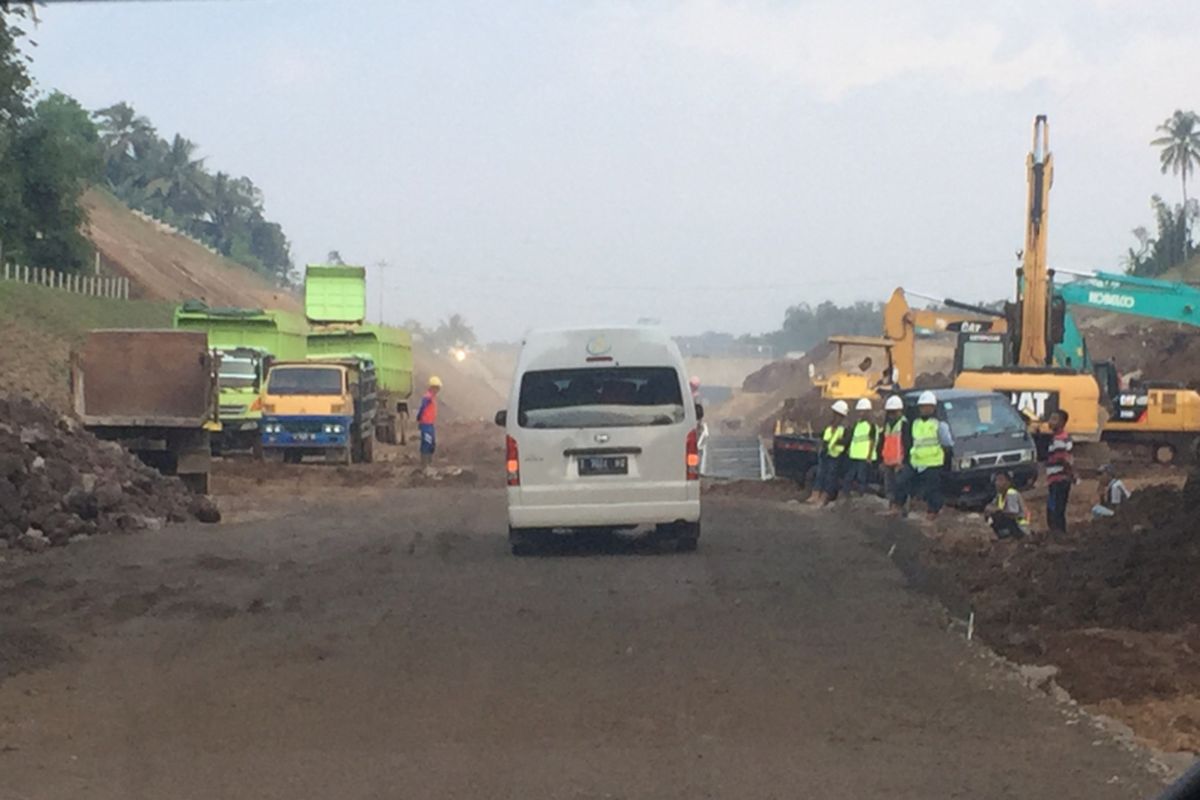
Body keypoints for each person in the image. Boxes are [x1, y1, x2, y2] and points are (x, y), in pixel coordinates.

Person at [896, 390, 952, 520]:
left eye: (925, 406)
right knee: (901, 481)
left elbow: (947, 443)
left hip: (933, 462)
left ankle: (933, 512)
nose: (923, 409)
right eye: (921, 406)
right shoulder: (915, 423)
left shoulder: (940, 425)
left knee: (932, 490)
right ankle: (898, 505)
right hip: (916, 461)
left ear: (932, 407)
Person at [811, 400, 849, 506]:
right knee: (820, 474)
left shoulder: (844, 428)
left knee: (830, 477)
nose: (834, 415)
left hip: (835, 456)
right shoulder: (829, 426)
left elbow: (845, 442)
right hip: (825, 453)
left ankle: (824, 498)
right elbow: (824, 437)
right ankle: (815, 495)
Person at [1044, 408, 1074, 534]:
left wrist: (1069, 474)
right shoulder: (1062, 438)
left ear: (1062, 423)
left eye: (1054, 419)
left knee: (1055, 510)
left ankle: (1058, 535)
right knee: (1057, 509)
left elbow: (1064, 459)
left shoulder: (1059, 440)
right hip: (1058, 479)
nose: (1051, 422)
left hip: (1058, 480)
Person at [877, 394, 908, 515]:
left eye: (893, 412)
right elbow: (883, 443)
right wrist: (881, 459)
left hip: (899, 462)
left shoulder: (904, 424)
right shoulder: (888, 425)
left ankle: (898, 507)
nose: (891, 415)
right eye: (889, 412)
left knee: (899, 486)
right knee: (889, 486)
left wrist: (903, 461)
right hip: (888, 461)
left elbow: (907, 444)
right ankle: (892, 506)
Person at [844, 397, 878, 498]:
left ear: (868, 411)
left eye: (862, 411)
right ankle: (846, 495)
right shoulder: (857, 424)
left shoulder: (871, 426)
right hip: (855, 455)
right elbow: (854, 439)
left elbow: (872, 441)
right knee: (849, 476)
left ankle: (861, 496)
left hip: (864, 457)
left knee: (861, 477)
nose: (860, 413)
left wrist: (869, 456)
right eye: (859, 411)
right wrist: (849, 449)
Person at [986, 471, 1029, 539]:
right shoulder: (999, 495)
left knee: (998, 515)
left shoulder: (1011, 493)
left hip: (1020, 527)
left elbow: (1013, 513)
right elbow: (988, 507)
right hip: (1011, 524)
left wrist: (998, 510)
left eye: (1001, 480)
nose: (997, 483)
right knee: (991, 517)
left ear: (1008, 482)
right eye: (996, 480)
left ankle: (1011, 536)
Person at [416, 375, 442, 466]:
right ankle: (425, 464)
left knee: (432, 444)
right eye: (436, 388)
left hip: (430, 424)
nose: (437, 390)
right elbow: (422, 408)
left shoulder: (432, 397)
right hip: (426, 424)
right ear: (432, 387)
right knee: (427, 443)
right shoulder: (427, 397)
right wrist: (419, 418)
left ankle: (429, 462)